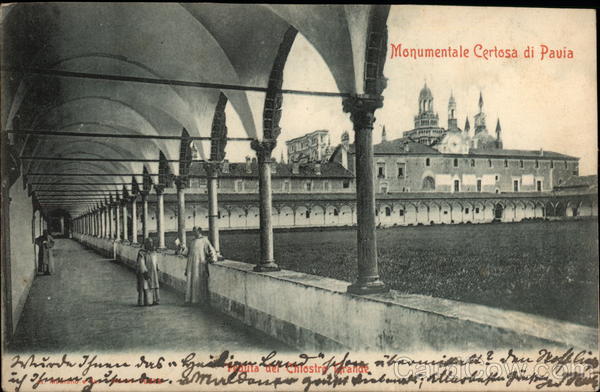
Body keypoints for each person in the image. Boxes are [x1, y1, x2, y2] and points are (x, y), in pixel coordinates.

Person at [185, 227, 217, 306]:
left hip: (200, 264)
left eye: (195, 231)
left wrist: (213, 258)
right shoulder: (192, 242)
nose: (193, 232)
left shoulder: (204, 240)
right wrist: (181, 248)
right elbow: (186, 252)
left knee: (199, 282)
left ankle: (199, 301)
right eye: (193, 231)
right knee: (191, 282)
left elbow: (212, 250)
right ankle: (191, 300)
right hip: (191, 265)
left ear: (199, 231)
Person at [145, 238, 160, 305]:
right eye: (149, 243)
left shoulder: (154, 253)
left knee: (155, 284)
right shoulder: (145, 253)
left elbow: (156, 261)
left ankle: (157, 300)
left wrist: (157, 267)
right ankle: (151, 300)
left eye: (151, 242)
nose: (150, 244)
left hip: (154, 271)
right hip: (148, 270)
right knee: (150, 285)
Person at [136, 239, 150, 306]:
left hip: (143, 271)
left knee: (144, 287)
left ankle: (144, 301)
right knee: (142, 287)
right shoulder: (141, 253)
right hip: (142, 272)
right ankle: (141, 302)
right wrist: (145, 272)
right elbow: (141, 263)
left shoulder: (143, 252)